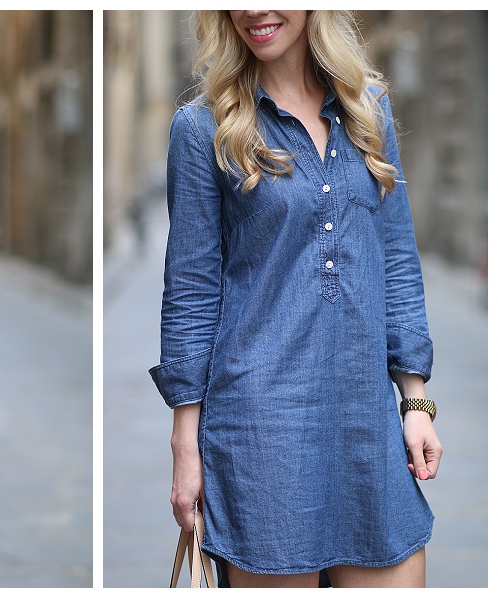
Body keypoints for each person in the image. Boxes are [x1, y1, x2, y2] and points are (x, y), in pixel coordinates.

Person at [149, 10, 442, 588]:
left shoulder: (369, 109)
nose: (255, 10)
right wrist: (186, 445)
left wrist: (415, 402)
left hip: (367, 421)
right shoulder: (202, 128)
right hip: (261, 433)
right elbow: (191, 292)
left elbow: (398, 260)